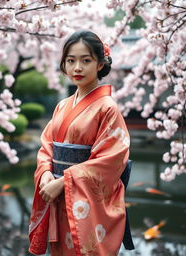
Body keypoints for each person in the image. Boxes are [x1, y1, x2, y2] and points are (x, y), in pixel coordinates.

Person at [29, 30, 132, 256]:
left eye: (86, 60)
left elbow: (111, 160)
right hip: (58, 194)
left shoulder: (108, 108)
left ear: (99, 64)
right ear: (64, 65)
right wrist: (46, 172)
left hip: (83, 200)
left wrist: (64, 181)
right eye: (71, 60)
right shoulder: (62, 106)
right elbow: (47, 145)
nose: (77, 68)